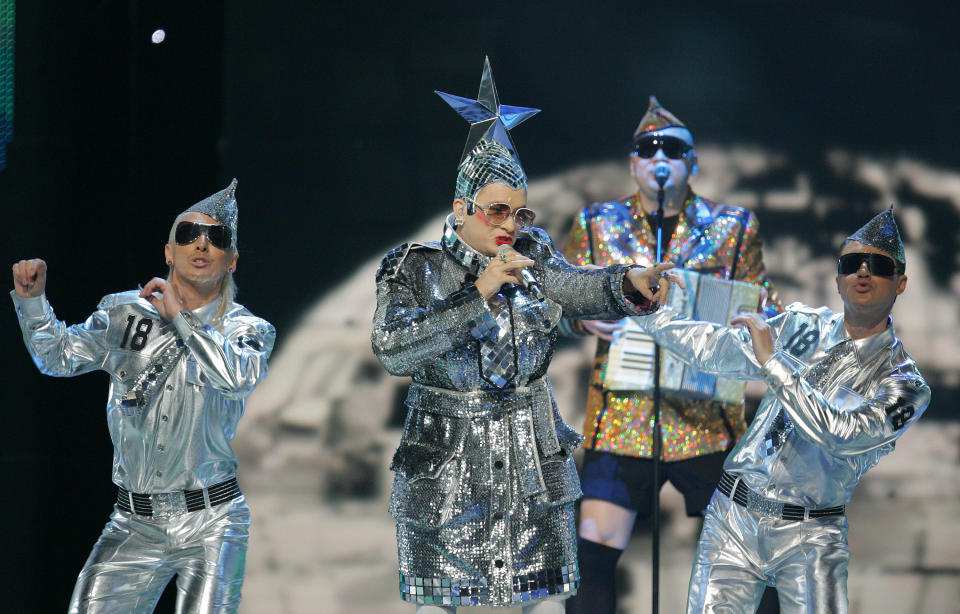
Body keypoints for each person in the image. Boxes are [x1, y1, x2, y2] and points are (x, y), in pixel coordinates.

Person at [371, 59, 677, 614]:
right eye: (497, 211)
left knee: (544, 602)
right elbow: (393, 348)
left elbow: (574, 288)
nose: (511, 223)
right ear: (462, 209)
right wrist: (478, 293)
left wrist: (627, 282)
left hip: (531, 461)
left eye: (520, 212)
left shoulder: (533, 255)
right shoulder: (412, 267)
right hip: (446, 466)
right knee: (441, 603)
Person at [635, 206, 929, 613]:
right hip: (733, 518)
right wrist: (650, 313)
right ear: (839, 277)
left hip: (812, 535)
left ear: (900, 283)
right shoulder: (801, 325)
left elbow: (841, 434)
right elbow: (715, 349)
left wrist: (775, 364)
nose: (863, 272)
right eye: (851, 263)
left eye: (878, 266)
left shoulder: (905, 383)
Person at [12, 179, 276, 614]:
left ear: (232, 261)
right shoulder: (124, 312)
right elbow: (57, 358)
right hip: (134, 522)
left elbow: (235, 377)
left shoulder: (247, 330)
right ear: (169, 252)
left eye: (217, 239)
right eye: (188, 235)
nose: (202, 244)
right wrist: (33, 303)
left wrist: (181, 316)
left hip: (211, 521)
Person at [562, 96, 781, 613]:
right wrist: (581, 316)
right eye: (648, 150)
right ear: (634, 163)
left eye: (674, 150)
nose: (661, 160)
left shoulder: (733, 226)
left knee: (749, 556)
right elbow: (563, 293)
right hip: (622, 416)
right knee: (590, 555)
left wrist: (750, 321)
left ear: (693, 162)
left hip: (708, 415)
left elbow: (761, 298)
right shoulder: (596, 222)